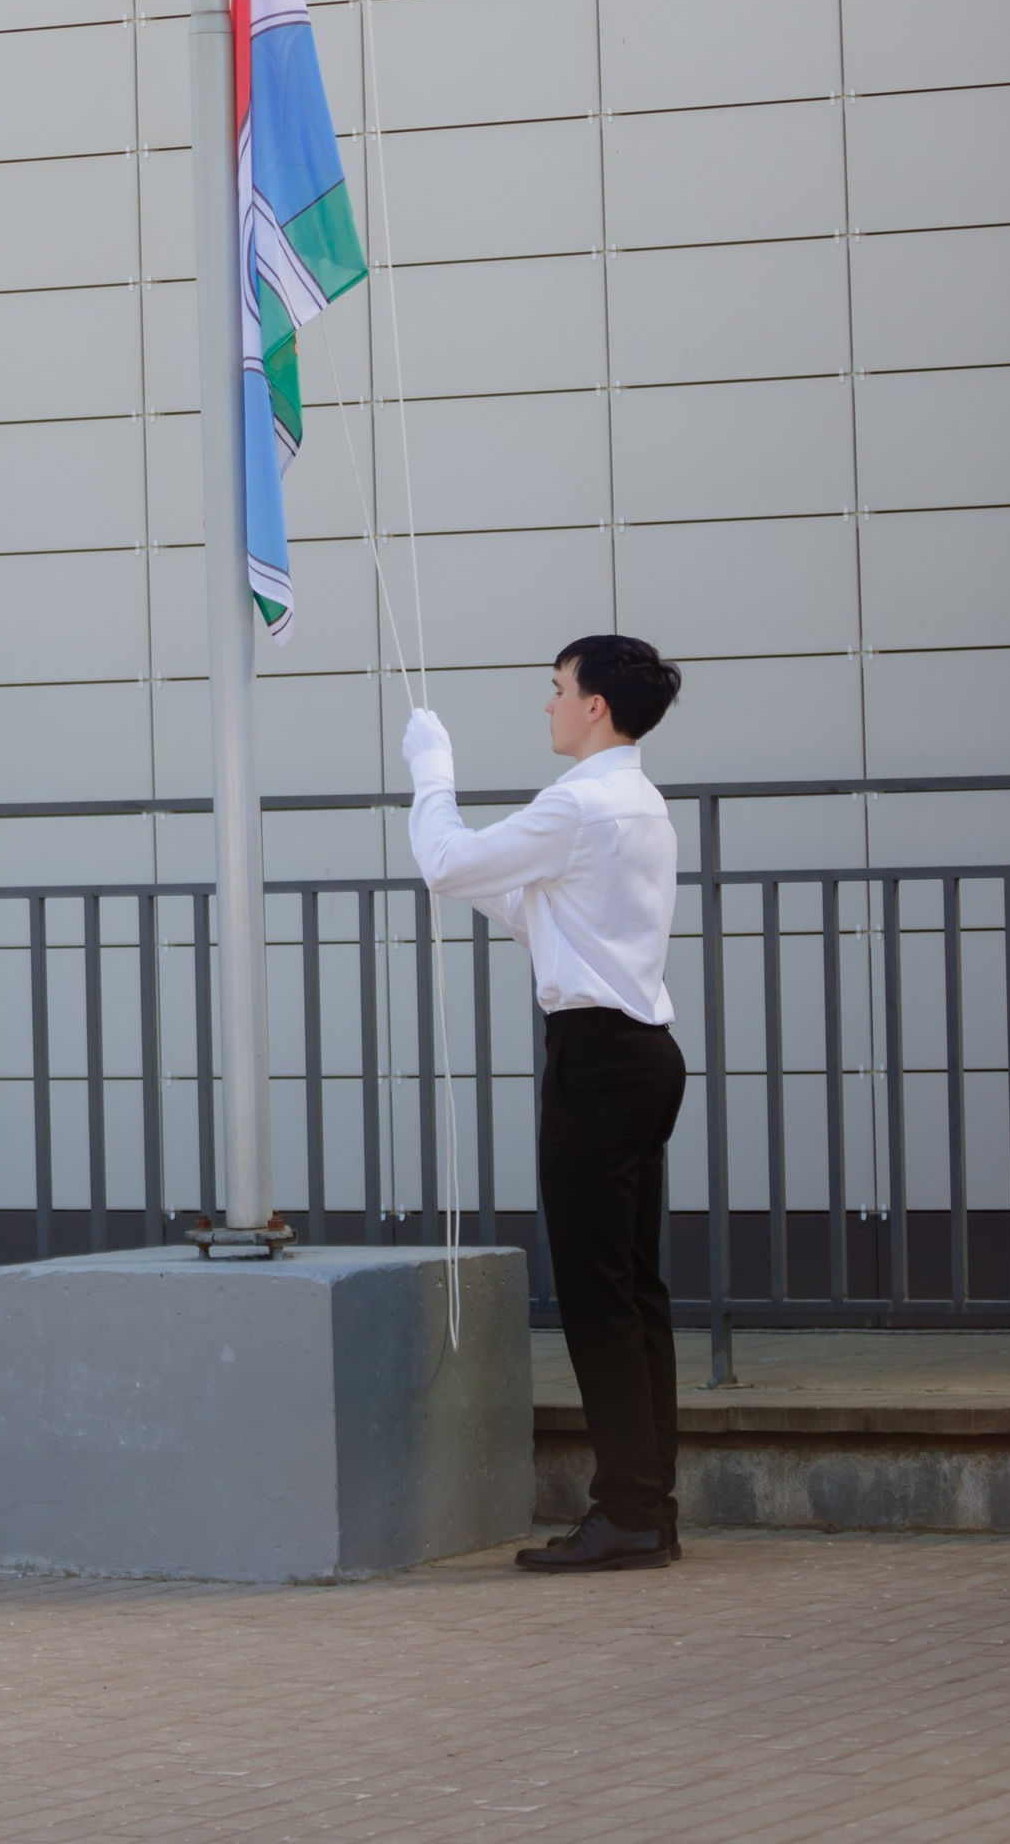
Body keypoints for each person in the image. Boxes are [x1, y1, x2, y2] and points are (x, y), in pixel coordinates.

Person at [403, 635, 687, 1575]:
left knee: (597, 1296)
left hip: (598, 1062)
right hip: (642, 1054)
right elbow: (540, 911)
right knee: (633, 1291)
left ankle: (629, 1514)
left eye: (558, 689)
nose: (549, 705)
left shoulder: (577, 803)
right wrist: (496, 876)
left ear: (596, 705)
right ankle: (647, 1506)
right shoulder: (638, 800)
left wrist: (430, 773)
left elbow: (443, 864)